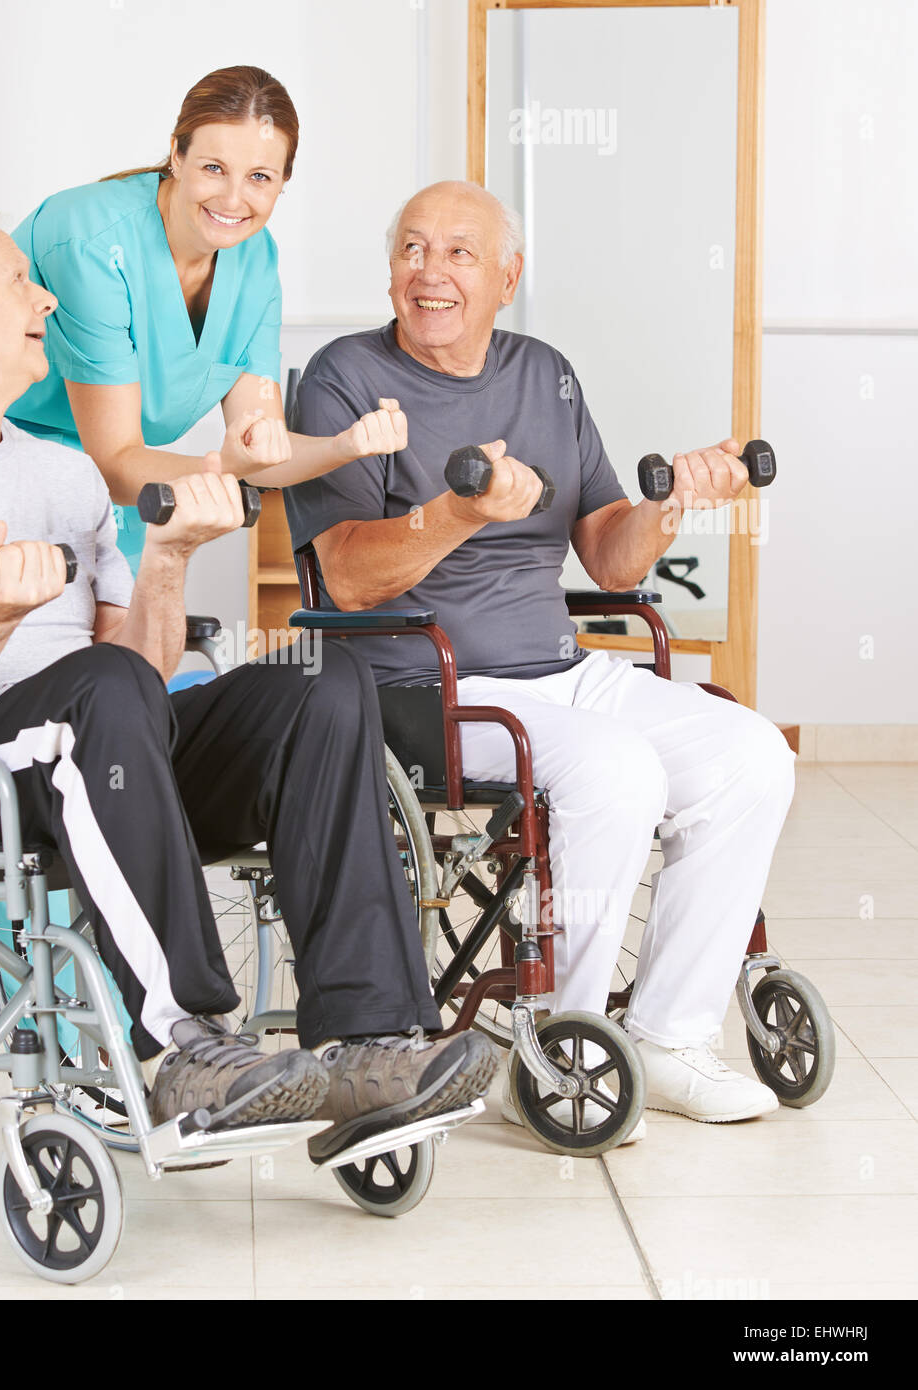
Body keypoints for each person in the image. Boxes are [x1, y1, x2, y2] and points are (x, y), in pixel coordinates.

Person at [0, 201, 496, 1152]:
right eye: (17, 281)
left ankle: (370, 1037)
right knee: (100, 690)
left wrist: (164, 555)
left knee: (319, 681)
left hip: (112, 756)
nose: (44, 295)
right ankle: (183, 1047)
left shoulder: (68, 474)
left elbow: (145, 669)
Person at [284, 180, 796, 1137]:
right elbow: (346, 579)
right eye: (412, 249)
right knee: (614, 769)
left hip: (558, 671)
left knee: (753, 754)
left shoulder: (545, 372)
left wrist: (671, 502)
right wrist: (456, 515)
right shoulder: (341, 377)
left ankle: (668, 1036)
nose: (429, 272)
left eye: (459, 254)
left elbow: (608, 554)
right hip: (422, 685)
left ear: (508, 277)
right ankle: (560, 1040)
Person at [8, 64, 406, 570]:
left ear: (283, 182)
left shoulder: (256, 261)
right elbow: (112, 461)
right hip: (11, 460)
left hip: (137, 483)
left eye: (259, 177)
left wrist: (344, 445)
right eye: (213, 168)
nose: (233, 199)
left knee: (134, 641)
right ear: (177, 154)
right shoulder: (92, 242)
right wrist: (222, 475)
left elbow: (263, 447)